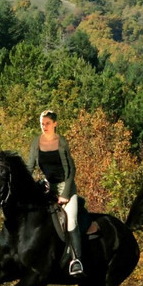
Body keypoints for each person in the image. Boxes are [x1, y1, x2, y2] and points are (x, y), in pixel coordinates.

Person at [26, 109, 87, 277]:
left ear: (55, 124)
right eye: (41, 123)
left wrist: (65, 194)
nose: (44, 126)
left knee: (71, 222)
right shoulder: (36, 143)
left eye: (47, 123)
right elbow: (30, 167)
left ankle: (76, 260)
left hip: (66, 188)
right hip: (48, 188)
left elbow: (71, 169)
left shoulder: (62, 142)